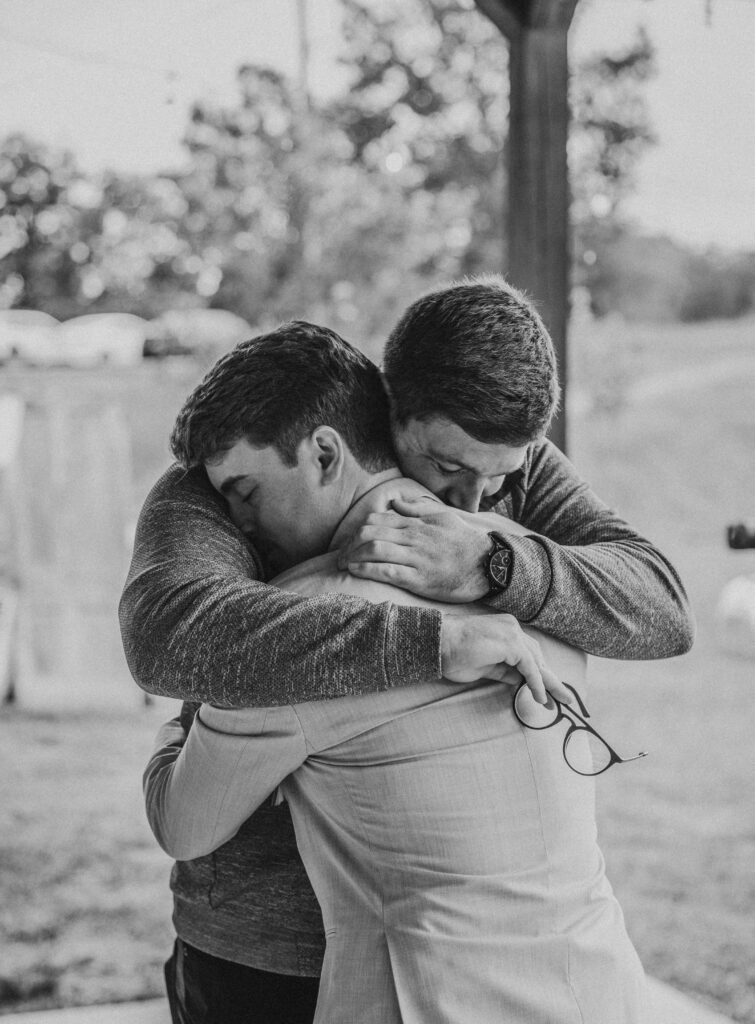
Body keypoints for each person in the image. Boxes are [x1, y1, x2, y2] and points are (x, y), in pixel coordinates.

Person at [119, 279, 694, 1023]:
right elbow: (166, 632)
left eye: (501, 481)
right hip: (262, 946)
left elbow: (662, 606)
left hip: (446, 970)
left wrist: (494, 566)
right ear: (387, 408)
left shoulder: (495, 475)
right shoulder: (231, 475)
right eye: (447, 469)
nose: (470, 507)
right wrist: (431, 639)